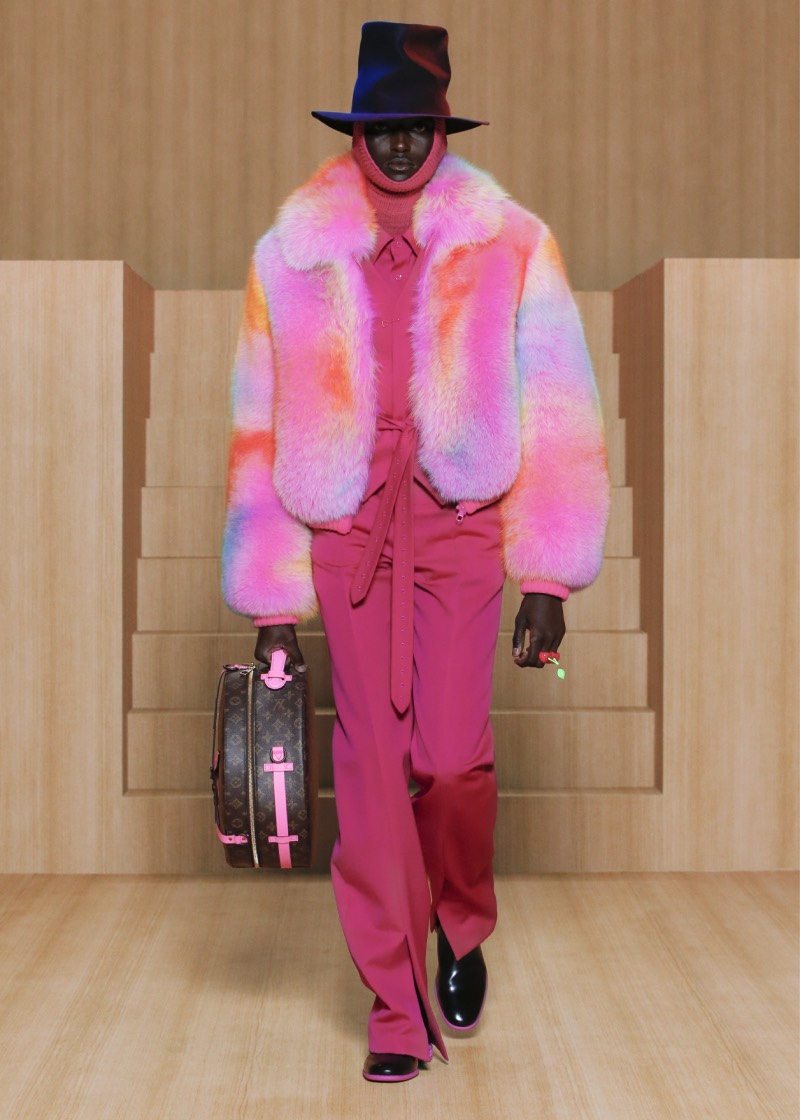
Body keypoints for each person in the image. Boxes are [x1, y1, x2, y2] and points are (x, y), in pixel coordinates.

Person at [222, 20, 609, 1083]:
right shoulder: (290, 253)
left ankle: (460, 920)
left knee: (449, 757)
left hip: (458, 526)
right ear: (355, 133)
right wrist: (270, 598)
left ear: (442, 129)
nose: (398, 145)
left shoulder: (510, 242)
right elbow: (259, 421)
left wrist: (548, 573)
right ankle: (393, 1007)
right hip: (348, 531)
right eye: (380, 127)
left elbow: (559, 405)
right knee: (369, 769)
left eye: (416, 127)